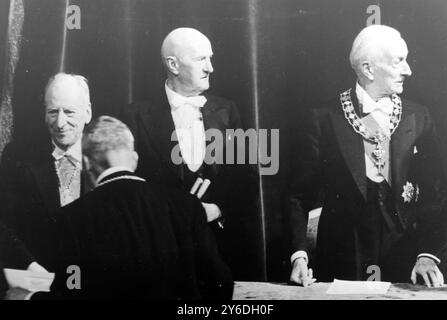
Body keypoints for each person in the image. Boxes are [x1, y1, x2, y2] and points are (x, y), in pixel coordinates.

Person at [287, 25, 447, 287]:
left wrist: (428, 254)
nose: (408, 70)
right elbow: (297, 195)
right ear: (368, 69)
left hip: (408, 261)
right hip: (340, 260)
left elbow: (436, 193)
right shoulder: (323, 118)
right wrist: (299, 256)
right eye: (399, 61)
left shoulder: (419, 116)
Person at [8, 116, 233, 299]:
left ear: (86, 164)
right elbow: (220, 284)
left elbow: (71, 289)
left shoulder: (71, 219)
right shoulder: (187, 206)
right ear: (134, 159)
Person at [120, 27, 258, 279]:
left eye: (210, 58)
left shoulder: (227, 110)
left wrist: (217, 209)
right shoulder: (134, 116)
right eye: (201, 59)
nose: (210, 68)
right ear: (173, 65)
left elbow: (246, 177)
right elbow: (127, 188)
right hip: (160, 255)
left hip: (219, 253)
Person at [0, 73, 92, 268]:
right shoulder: (18, 157)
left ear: (88, 113)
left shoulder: (104, 155)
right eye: (52, 112)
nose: (59, 123)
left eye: (69, 112)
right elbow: (3, 223)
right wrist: (29, 266)